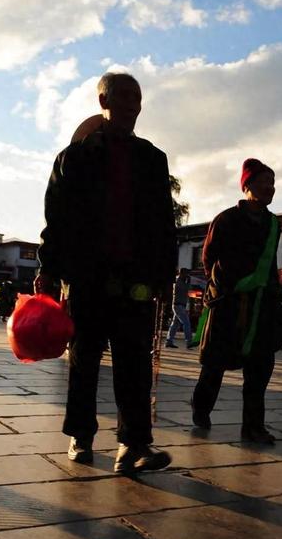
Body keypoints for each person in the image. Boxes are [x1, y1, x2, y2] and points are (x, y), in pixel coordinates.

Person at [35, 71, 177, 475]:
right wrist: (48, 271)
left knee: (135, 363)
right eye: (124, 95)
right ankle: (81, 436)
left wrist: (164, 276)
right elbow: (56, 220)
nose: (134, 103)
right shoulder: (75, 157)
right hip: (88, 277)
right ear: (104, 101)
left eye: (138, 96)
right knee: (84, 360)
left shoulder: (152, 158)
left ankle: (133, 446)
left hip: (137, 279)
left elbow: (164, 224)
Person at [191, 158, 282, 445]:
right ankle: (201, 408)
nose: (269, 188)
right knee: (215, 364)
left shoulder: (273, 224)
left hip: (261, 304)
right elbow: (208, 258)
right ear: (246, 186)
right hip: (228, 301)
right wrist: (223, 286)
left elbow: (270, 265)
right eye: (262, 182)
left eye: (272, 183)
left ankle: (253, 426)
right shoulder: (226, 219)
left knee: (260, 366)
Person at [165, 268, 193, 349]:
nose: (188, 275)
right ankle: (189, 342)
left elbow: (187, 289)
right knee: (186, 323)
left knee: (175, 325)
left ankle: (169, 341)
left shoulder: (181, 281)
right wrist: (188, 282)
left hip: (180, 306)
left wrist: (188, 281)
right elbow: (185, 289)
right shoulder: (178, 282)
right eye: (186, 274)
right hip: (178, 306)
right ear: (182, 274)